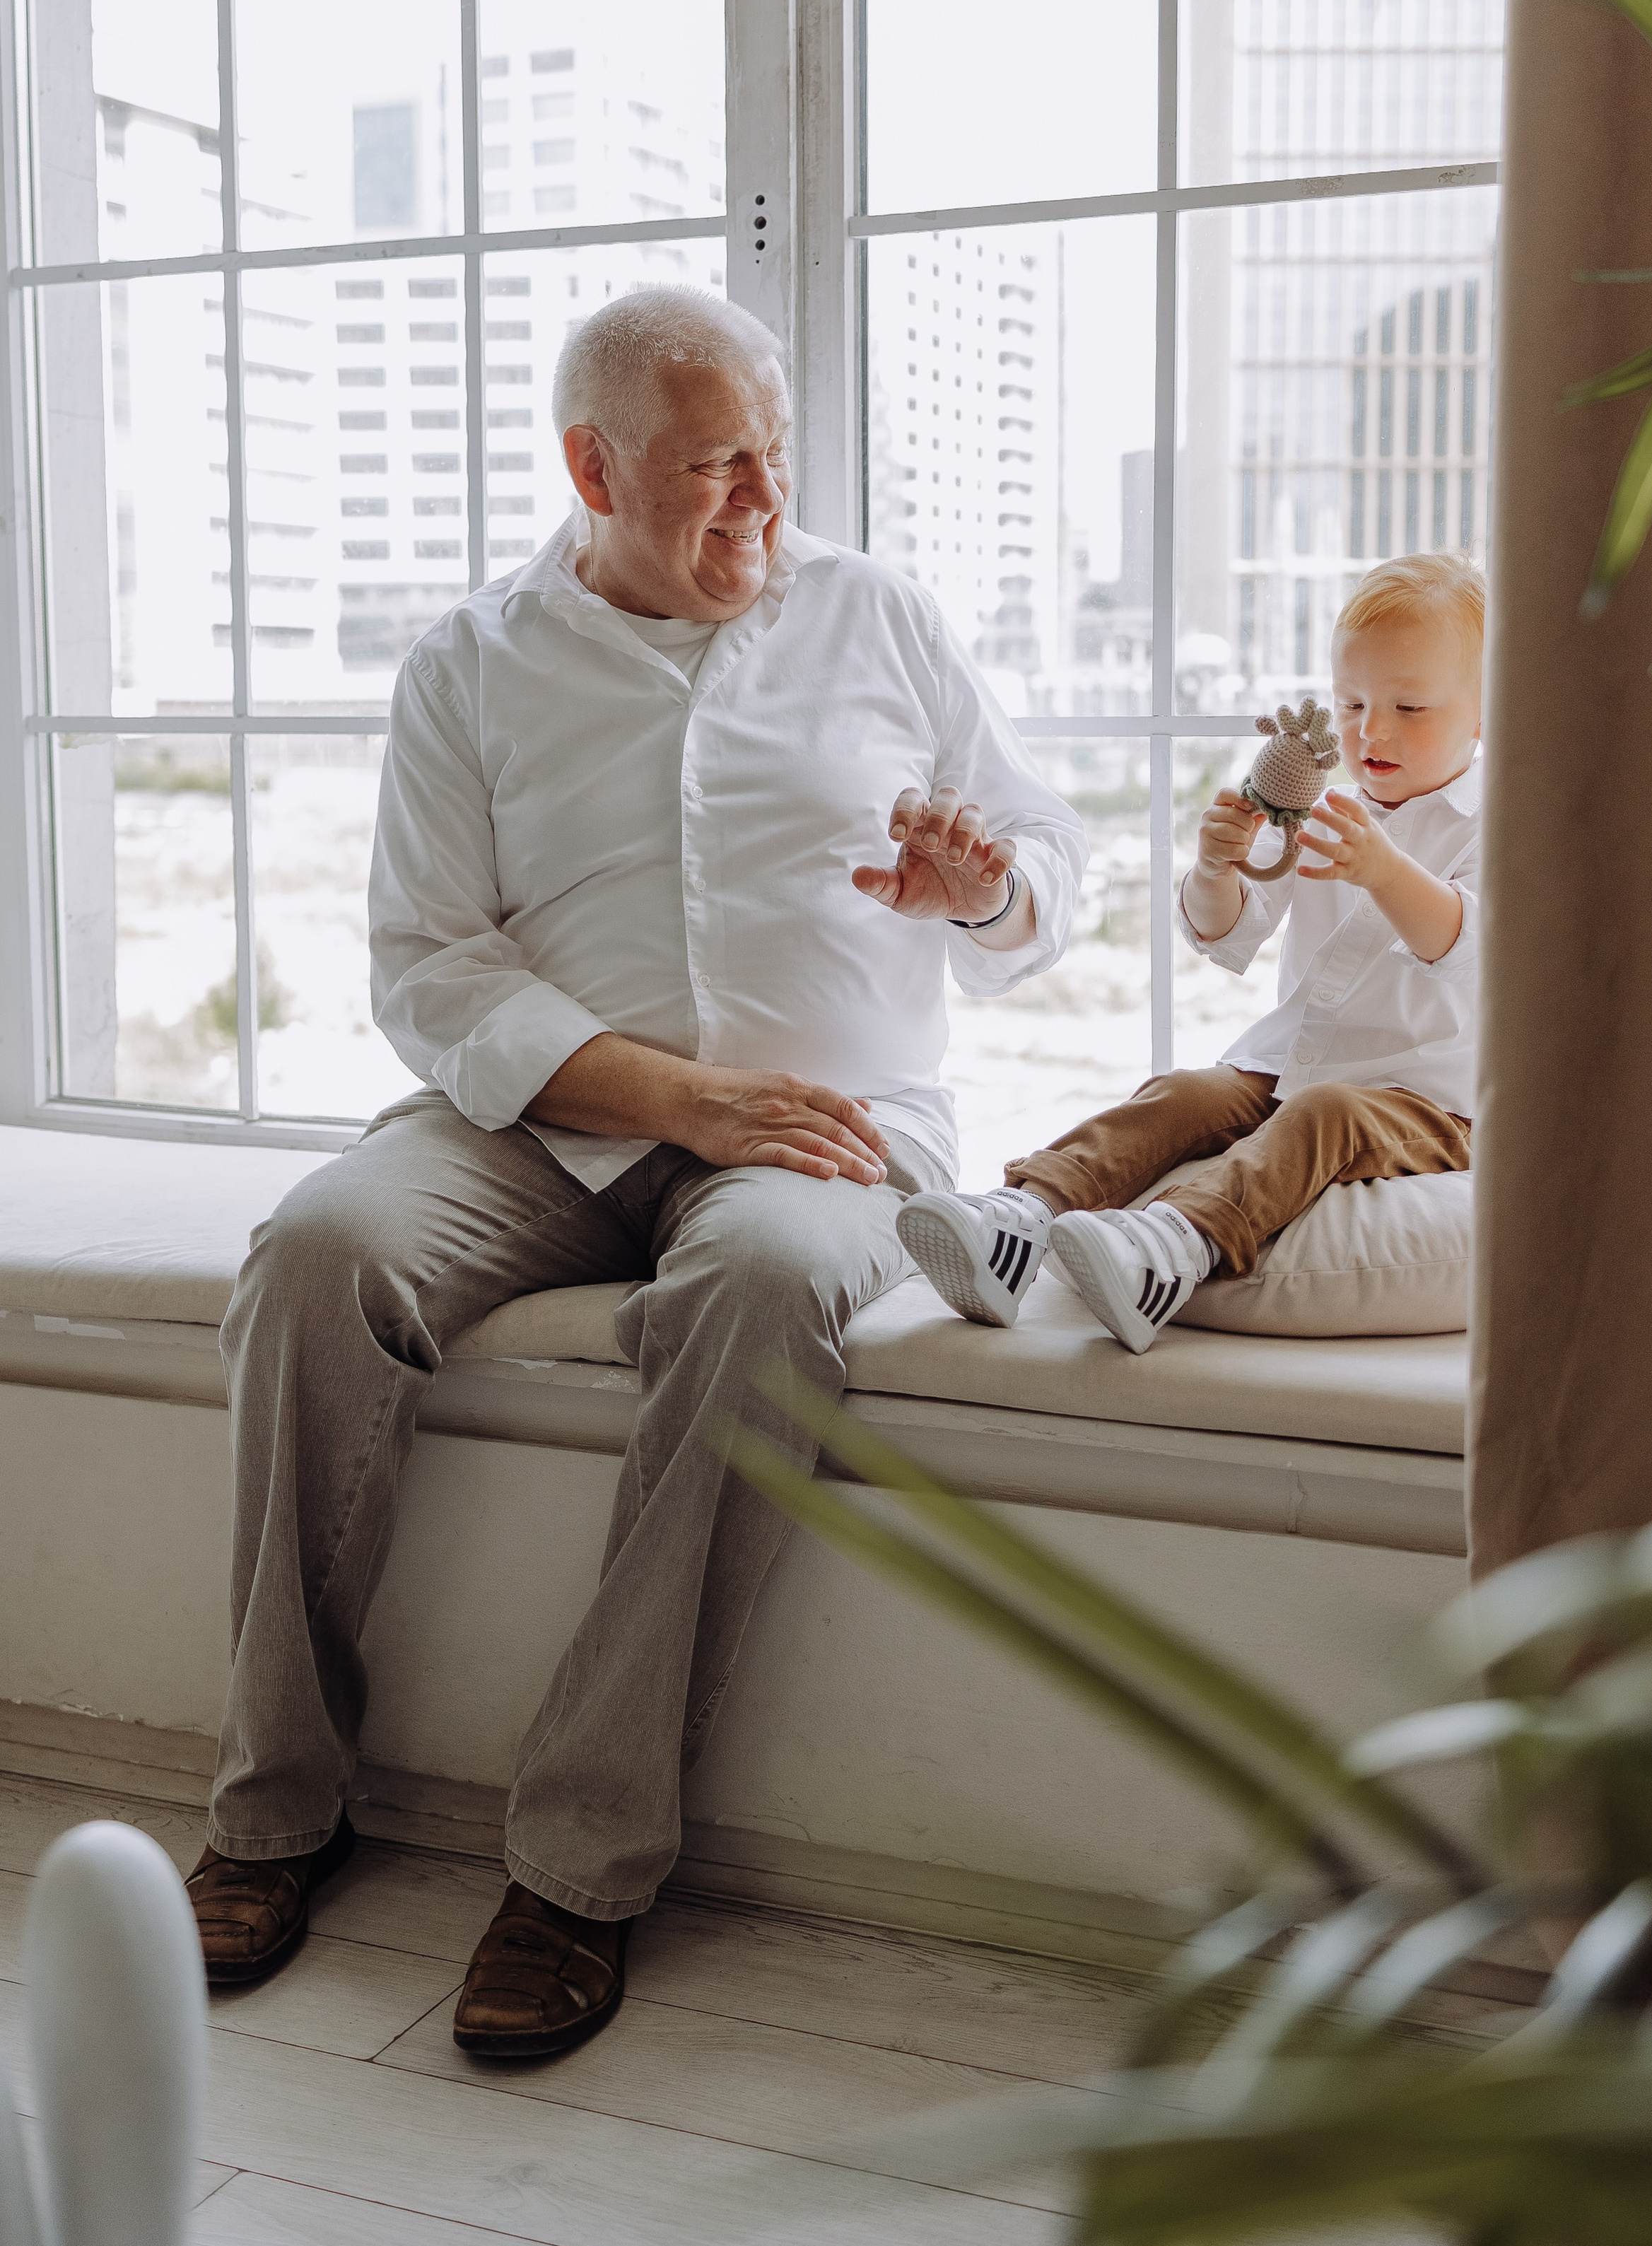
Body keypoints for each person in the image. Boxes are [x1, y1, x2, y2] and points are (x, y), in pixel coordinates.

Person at [183, 287, 1086, 2058]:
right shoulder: (470, 659)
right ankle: (273, 1806)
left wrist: (975, 885)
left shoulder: (877, 614)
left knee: (752, 1286)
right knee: (313, 1250)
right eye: (707, 467)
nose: (757, 500)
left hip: (828, 1125)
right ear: (590, 465)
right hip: (545, 1123)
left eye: (770, 455)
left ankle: (580, 1868)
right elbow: (425, 964)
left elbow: (1046, 868)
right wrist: (673, 1094)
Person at [899, 551, 1482, 1352]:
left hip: (1432, 1097)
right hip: (1290, 1066)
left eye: (1409, 707)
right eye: (1351, 703)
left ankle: (1176, 1243)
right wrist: (1216, 869)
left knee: (1325, 1113)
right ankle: (1022, 1217)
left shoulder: (1496, 822)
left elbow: (1460, 946)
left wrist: (1384, 872)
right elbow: (1228, 933)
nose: (1370, 730)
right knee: (1184, 1092)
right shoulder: (1323, 804)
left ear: (1487, 713)